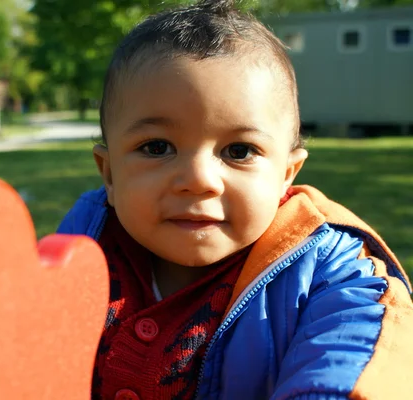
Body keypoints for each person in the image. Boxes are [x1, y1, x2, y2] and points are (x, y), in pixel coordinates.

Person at [57, 0, 413, 399]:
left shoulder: (334, 275)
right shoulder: (83, 241)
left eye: (239, 151)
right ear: (108, 172)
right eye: (157, 147)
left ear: (286, 175)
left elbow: (348, 367)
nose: (198, 180)